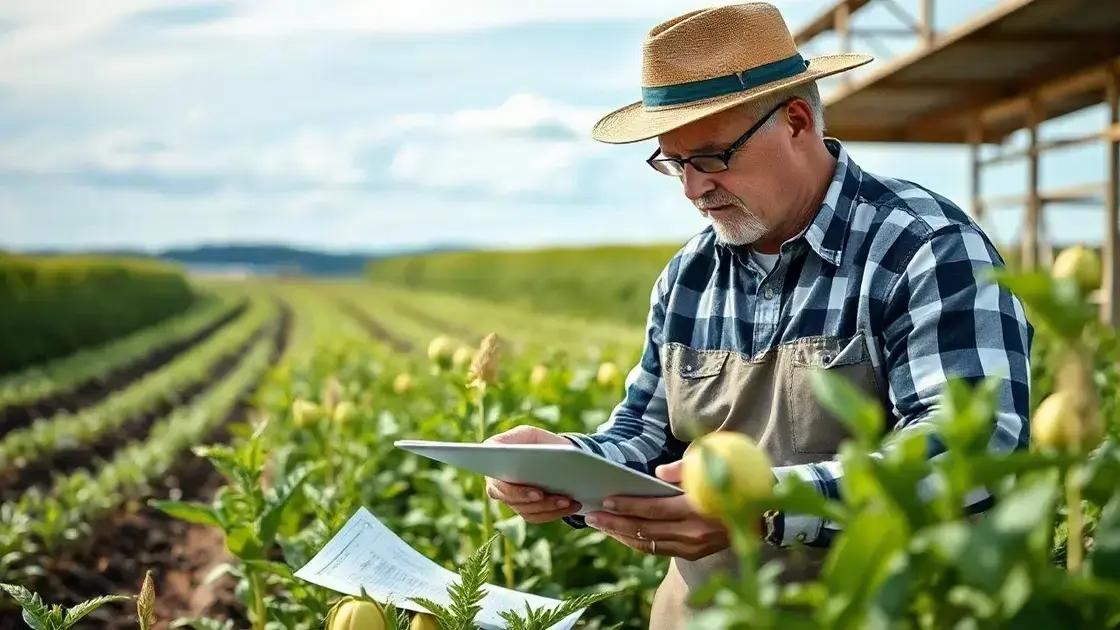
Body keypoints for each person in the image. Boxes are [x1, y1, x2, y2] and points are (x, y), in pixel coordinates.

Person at [484, 3, 1032, 627]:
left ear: (796, 121)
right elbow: (645, 434)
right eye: (673, 163)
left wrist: (766, 502)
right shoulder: (688, 277)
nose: (692, 189)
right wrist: (562, 466)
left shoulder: (924, 247)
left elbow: (971, 451)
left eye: (712, 157)